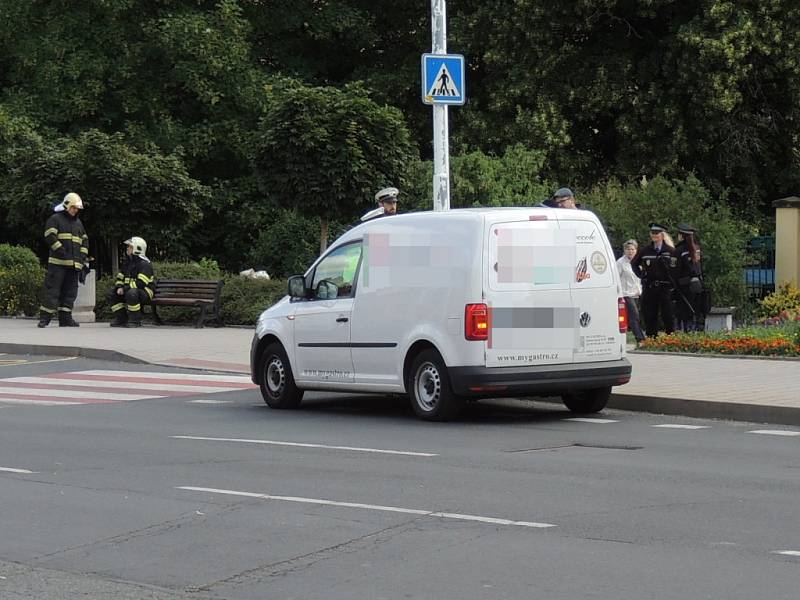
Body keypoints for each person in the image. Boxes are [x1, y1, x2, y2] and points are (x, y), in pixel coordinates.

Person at [38, 192, 89, 328]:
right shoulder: (55, 219)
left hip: (74, 265)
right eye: (73, 208)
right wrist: (60, 250)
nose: (75, 210)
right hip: (58, 264)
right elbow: (50, 236)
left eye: (77, 208)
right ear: (67, 206)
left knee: (70, 293)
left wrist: (82, 256)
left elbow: (84, 241)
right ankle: (45, 318)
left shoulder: (78, 223)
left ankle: (65, 319)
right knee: (53, 291)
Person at [631, 223, 677, 337]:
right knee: (650, 315)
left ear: (662, 235)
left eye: (657, 233)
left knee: (668, 314)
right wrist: (642, 275)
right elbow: (634, 263)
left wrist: (673, 282)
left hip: (665, 287)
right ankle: (652, 339)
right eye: (652, 233)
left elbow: (676, 268)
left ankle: (670, 339)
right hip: (650, 287)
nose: (654, 235)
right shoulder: (646, 250)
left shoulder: (670, 250)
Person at [109, 236, 155, 328]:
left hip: (145, 291)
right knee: (112, 293)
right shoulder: (128, 262)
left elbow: (141, 283)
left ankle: (135, 320)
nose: (127, 248)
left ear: (137, 249)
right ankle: (122, 318)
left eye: (130, 247)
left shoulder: (145, 264)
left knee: (132, 293)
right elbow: (120, 278)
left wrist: (125, 289)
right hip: (130, 289)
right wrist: (119, 287)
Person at [673, 223, 705, 332]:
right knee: (695, 309)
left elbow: (675, 270)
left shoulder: (679, 250)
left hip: (684, 286)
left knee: (683, 311)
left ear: (682, 236)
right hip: (697, 285)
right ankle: (695, 329)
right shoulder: (696, 248)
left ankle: (685, 330)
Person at [616, 239, 645, 345]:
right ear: (624, 250)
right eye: (628, 249)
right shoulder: (620, 263)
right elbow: (616, 278)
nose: (630, 251)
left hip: (638, 293)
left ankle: (644, 337)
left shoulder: (639, 261)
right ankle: (640, 339)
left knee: (640, 316)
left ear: (636, 250)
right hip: (626, 294)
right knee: (634, 316)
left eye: (632, 249)